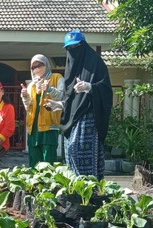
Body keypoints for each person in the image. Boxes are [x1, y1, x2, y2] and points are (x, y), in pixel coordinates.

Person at [43, 30, 112, 179]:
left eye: (76, 47)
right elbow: (72, 100)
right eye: (69, 49)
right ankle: (76, 189)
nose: (72, 52)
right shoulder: (71, 69)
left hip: (90, 118)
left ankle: (91, 191)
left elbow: (106, 90)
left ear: (83, 46)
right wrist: (59, 105)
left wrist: (90, 87)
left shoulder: (96, 63)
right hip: (73, 121)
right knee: (70, 151)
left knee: (80, 150)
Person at [21, 54, 65, 168]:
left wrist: (49, 89)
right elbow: (28, 106)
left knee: (48, 161)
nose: (37, 69)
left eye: (40, 65)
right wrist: (25, 96)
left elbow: (62, 96)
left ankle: (50, 185)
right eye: (34, 67)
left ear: (46, 65)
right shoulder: (31, 85)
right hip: (33, 128)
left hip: (49, 126)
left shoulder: (56, 77)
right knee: (34, 163)